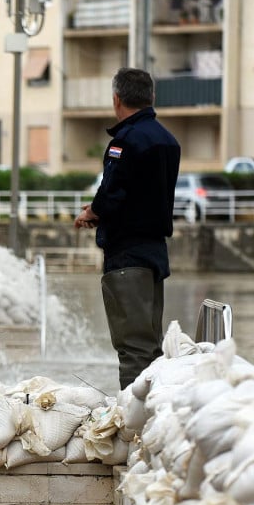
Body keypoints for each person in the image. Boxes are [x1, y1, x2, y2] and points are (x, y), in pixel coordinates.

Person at [74, 67, 181, 390]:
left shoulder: (126, 141)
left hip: (126, 258)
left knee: (132, 348)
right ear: (151, 97)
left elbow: (113, 194)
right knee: (151, 344)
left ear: (116, 99)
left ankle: (134, 426)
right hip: (154, 255)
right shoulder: (167, 140)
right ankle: (153, 414)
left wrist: (91, 212)